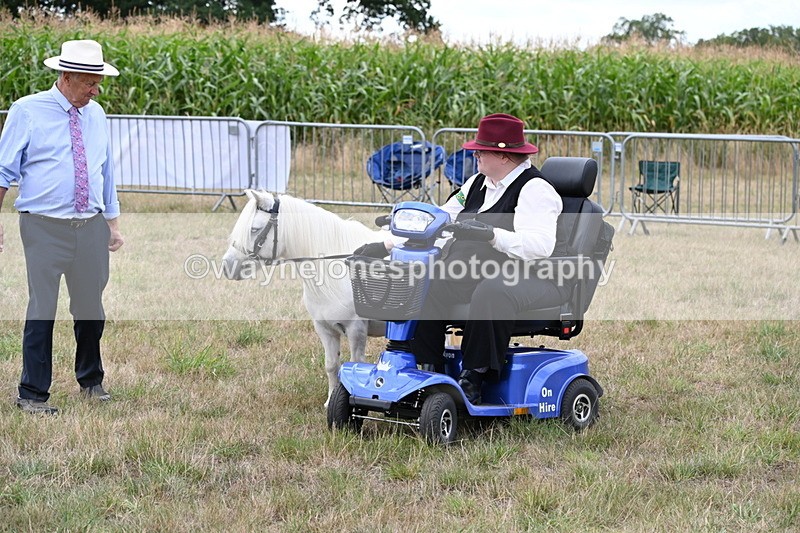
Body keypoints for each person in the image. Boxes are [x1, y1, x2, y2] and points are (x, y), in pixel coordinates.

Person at [354, 113, 566, 404]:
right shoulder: (478, 182)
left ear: (504, 156)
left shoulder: (535, 189)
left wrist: (492, 235)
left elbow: (540, 246)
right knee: (426, 281)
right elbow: (438, 218)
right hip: (478, 272)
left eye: (481, 151)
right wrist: (386, 245)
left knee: (493, 290)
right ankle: (428, 369)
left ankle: (473, 378)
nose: (475, 155)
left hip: (531, 277)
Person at [0, 39, 124, 415]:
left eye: (98, 82)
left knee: (90, 309)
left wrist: (112, 223)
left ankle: (91, 381)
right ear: (66, 76)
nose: (95, 90)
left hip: (90, 227)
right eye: (89, 82)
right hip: (43, 227)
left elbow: (105, 171)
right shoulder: (27, 111)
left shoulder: (97, 114)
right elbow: (3, 171)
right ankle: (32, 394)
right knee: (42, 308)